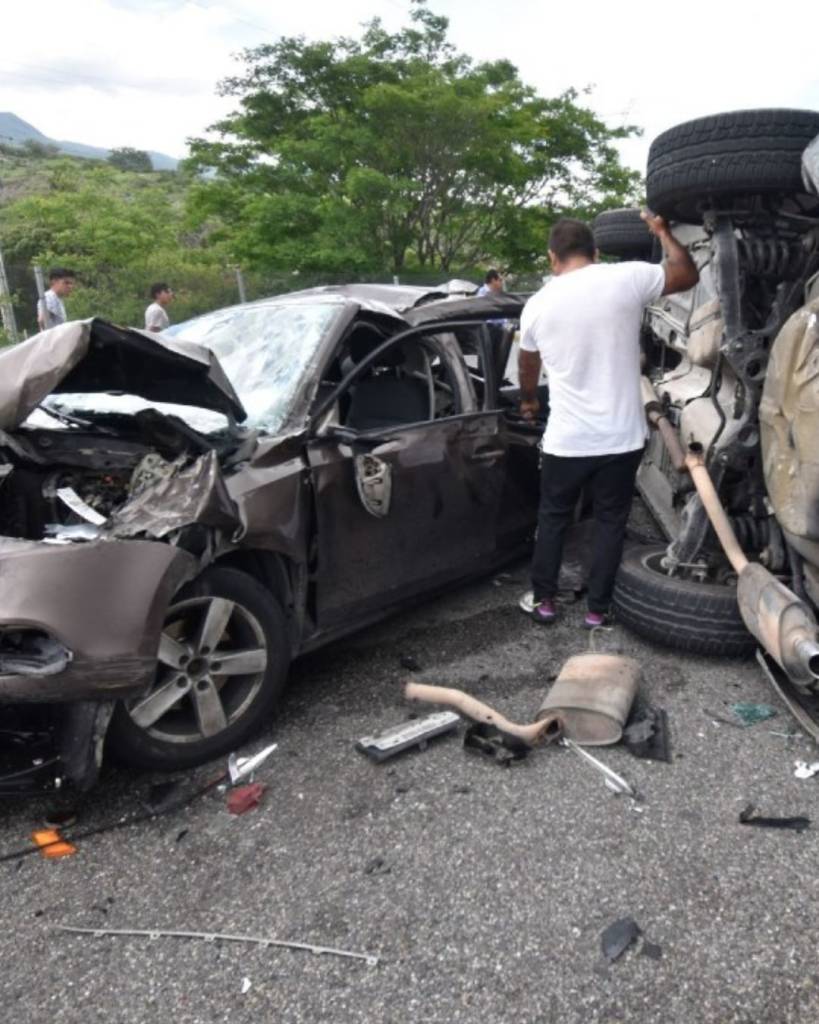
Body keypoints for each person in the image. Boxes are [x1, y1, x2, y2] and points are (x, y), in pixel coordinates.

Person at [518, 213, 698, 628]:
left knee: (553, 518)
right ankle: (598, 610)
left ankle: (544, 602)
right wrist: (663, 233)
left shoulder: (537, 304)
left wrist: (529, 400)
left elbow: (527, 363)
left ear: (552, 258)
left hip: (568, 440)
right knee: (610, 522)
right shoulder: (628, 277)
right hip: (622, 438)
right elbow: (686, 274)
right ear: (595, 253)